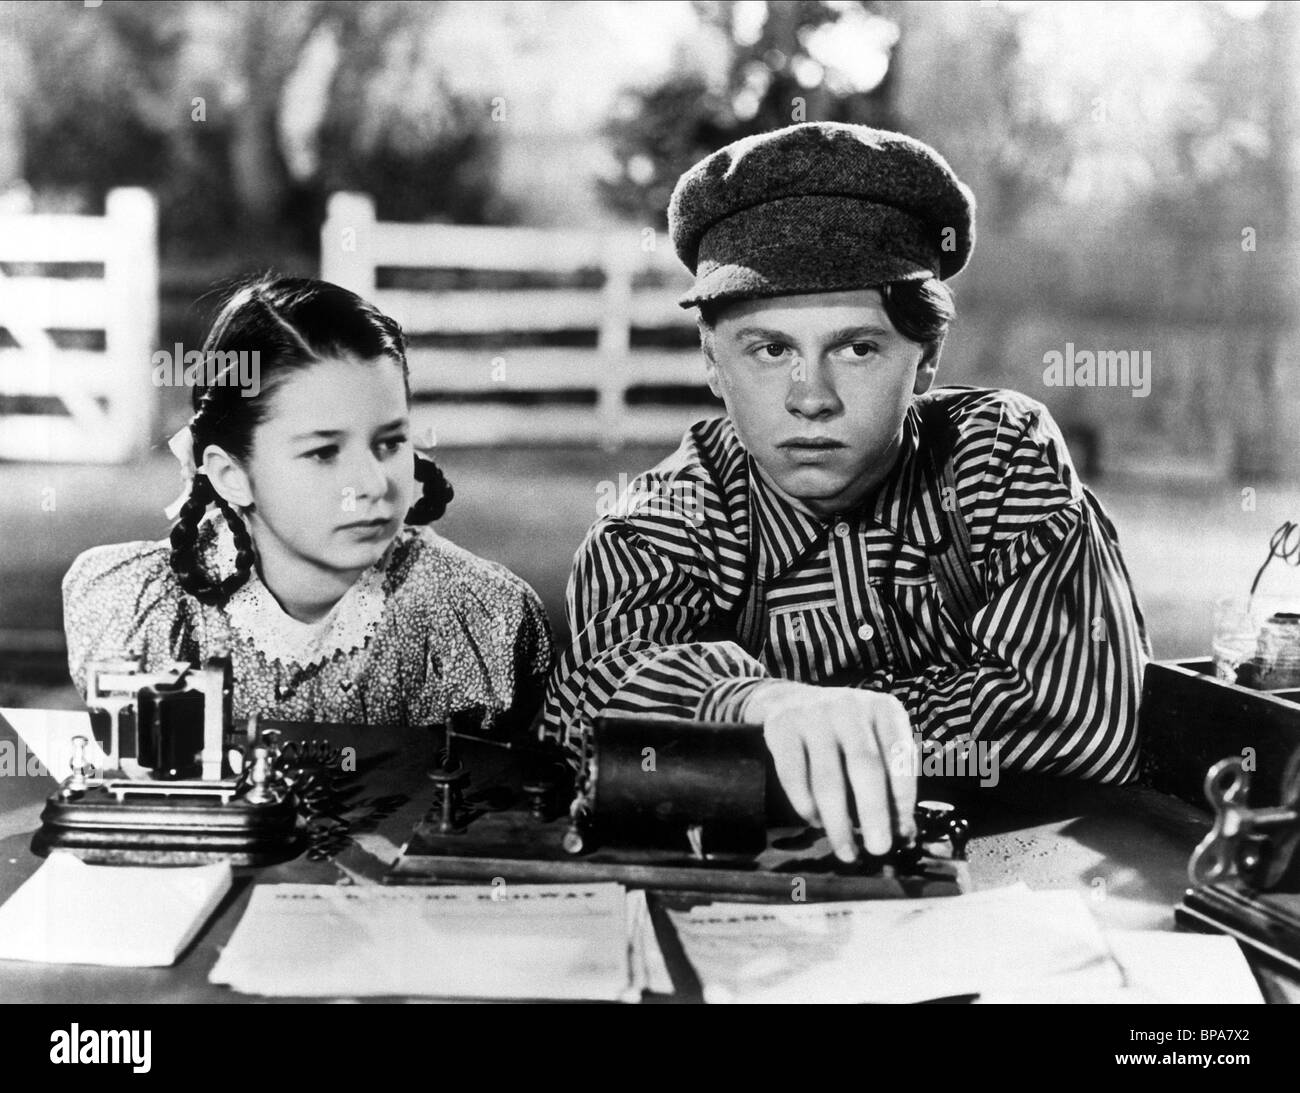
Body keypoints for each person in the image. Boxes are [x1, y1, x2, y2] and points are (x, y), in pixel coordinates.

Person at [543, 123, 1150, 863]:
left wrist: (796, 740)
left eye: (857, 348)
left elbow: (1084, 718)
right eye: (771, 350)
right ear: (712, 362)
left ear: (924, 362)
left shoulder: (998, 455)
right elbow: (588, 712)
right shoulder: (660, 517)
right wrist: (763, 705)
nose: (812, 398)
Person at [64, 276, 553, 730]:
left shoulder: (474, 614)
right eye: (323, 451)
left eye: (389, 442)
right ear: (232, 475)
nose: (372, 484)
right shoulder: (147, 612)